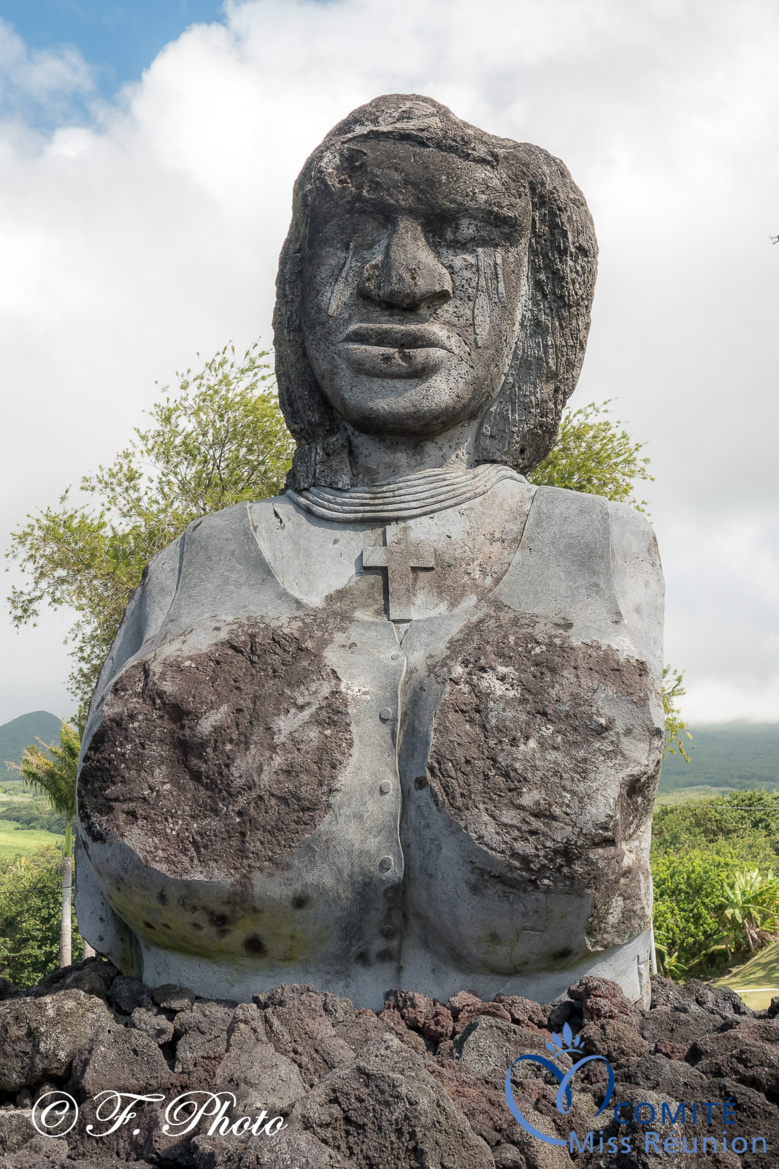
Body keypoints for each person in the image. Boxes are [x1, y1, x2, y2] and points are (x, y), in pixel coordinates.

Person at [76, 95, 663, 1009]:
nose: (404, 278)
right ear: (296, 281)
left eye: (465, 235)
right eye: (355, 228)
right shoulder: (196, 567)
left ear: (537, 290)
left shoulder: (604, 549)